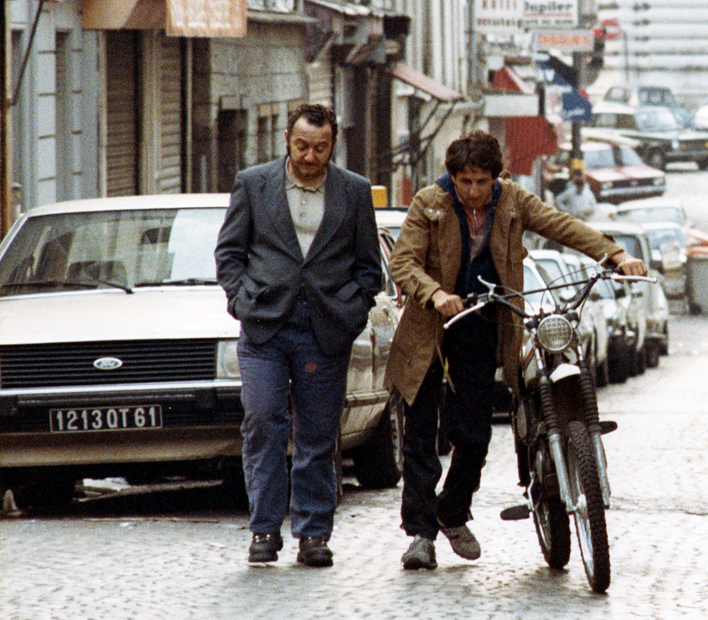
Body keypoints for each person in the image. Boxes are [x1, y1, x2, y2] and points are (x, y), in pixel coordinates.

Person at [386, 130, 647, 570]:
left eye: (482, 182)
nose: (474, 191)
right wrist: (435, 293)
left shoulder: (513, 201)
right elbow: (403, 262)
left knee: (475, 436)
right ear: (452, 178)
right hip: (428, 329)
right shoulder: (429, 204)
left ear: (496, 178)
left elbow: (564, 225)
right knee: (420, 436)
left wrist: (615, 255)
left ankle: (452, 511)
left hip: (481, 324)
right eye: (465, 182)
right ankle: (420, 536)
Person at [215, 103, 383, 568]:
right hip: (265, 326)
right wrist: (241, 301)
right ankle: (264, 529)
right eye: (302, 145)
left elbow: (369, 268)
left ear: (333, 145)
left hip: (323, 329)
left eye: (321, 148)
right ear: (287, 139)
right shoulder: (254, 183)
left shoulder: (353, 191)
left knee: (317, 434)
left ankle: (313, 533)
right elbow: (229, 253)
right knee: (263, 422)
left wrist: (352, 311)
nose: (310, 156)